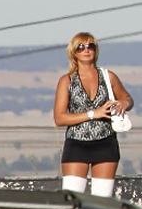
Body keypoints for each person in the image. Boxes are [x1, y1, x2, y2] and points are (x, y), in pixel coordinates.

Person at [54, 32, 133, 197]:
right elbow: (60, 118)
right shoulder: (67, 81)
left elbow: (127, 98)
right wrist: (93, 114)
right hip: (77, 144)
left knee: (102, 200)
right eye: (80, 47)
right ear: (74, 53)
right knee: (72, 200)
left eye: (91, 46)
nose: (86, 50)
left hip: (105, 143)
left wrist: (123, 104)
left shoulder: (107, 76)